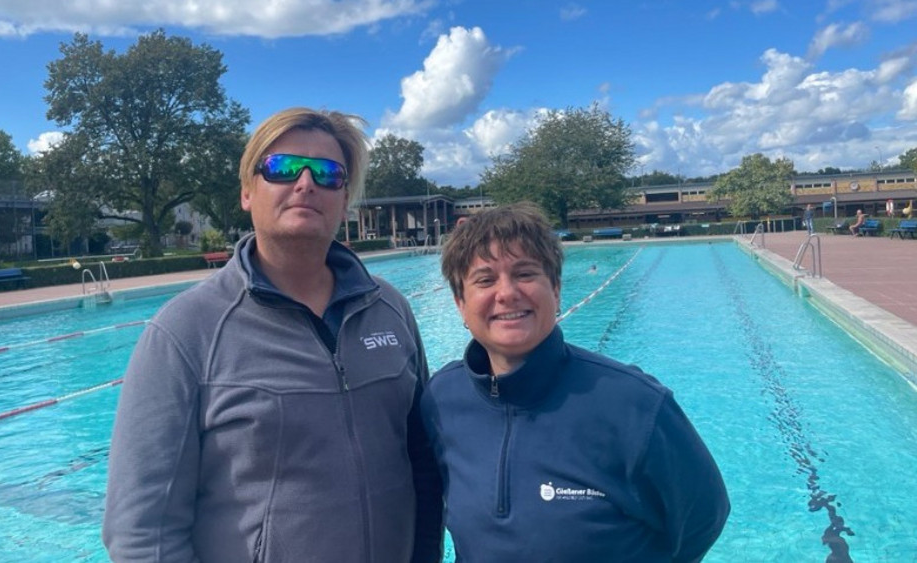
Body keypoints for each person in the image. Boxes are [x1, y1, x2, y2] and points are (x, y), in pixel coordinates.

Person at [103, 107, 443, 562]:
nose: (305, 184)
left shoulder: (388, 309)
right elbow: (142, 531)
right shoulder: (186, 331)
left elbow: (421, 461)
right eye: (282, 168)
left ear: (344, 200)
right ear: (247, 191)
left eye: (328, 174)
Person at [421, 202, 730, 562]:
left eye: (525, 273)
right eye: (485, 280)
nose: (506, 293)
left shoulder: (635, 405)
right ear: (460, 303)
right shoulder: (442, 400)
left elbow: (705, 518)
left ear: (555, 289)